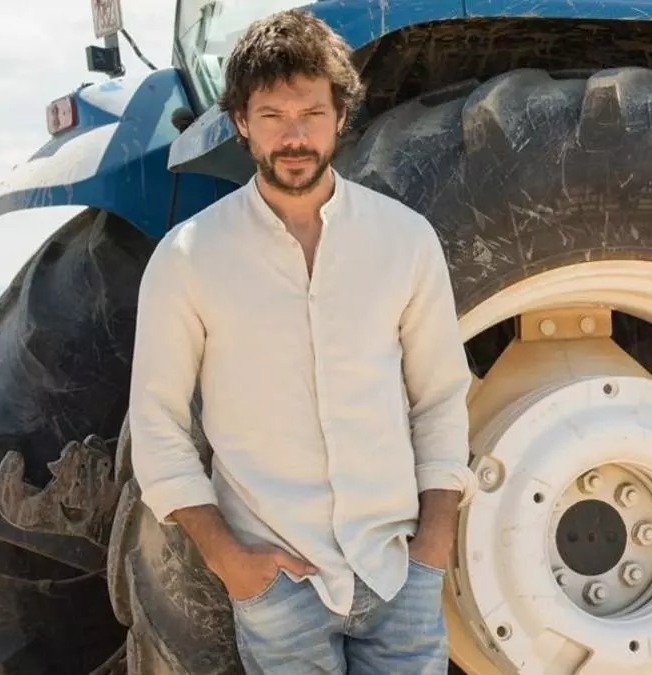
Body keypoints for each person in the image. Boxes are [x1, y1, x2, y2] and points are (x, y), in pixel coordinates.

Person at [126, 8, 476, 674]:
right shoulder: (188, 258)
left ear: (341, 116)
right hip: (278, 587)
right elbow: (157, 424)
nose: (294, 136)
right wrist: (229, 560)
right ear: (241, 122)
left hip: (397, 573)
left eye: (312, 113)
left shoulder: (405, 240)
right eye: (272, 115)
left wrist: (432, 546)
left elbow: (439, 397)